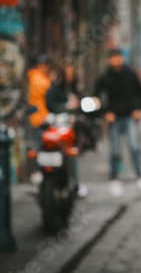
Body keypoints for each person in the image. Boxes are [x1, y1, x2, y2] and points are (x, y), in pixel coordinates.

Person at [95, 49, 141, 195]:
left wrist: (138, 109)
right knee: (115, 150)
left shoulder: (130, 74)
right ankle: (114, 179)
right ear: (110, 60)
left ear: (122, 58)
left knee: (134, 147)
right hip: (114, 118)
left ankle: (140, 177)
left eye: (118, 58)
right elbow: (97, 95)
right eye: (113, 58)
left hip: (130, 116)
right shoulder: (105, 77)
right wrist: (105, 112)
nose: (116, 61)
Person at [45, 63, 88, 198]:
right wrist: (65, 107)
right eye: (67, 73)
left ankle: (74, 182)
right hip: (58, 127)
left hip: (71, 128)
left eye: (72, 73)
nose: (69, 76)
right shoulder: (56, 88)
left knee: (71, 154)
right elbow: (50, 104)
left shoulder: (76, 89)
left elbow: (83, 106)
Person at [26, 54, 52, 184]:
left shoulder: (36, 76)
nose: (45, 67)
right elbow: (47, 89)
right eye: (44, 65)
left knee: (38, 145)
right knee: (38, 146)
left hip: (38, 117)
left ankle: (37, 171)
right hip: (39, 118)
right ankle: (35, 171)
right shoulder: (38, 78)